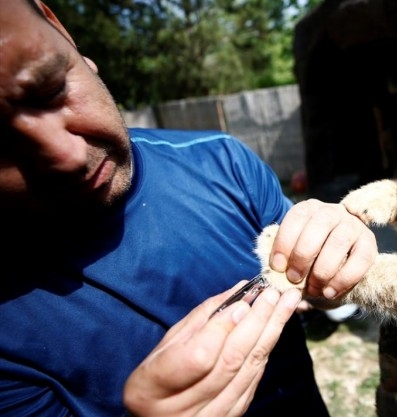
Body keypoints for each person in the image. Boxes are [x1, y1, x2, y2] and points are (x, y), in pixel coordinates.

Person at [0, 1, 377, 416]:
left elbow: (322, 292)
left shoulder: (225, 163)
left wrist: (335, 256)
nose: (66, 154)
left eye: (50, 88)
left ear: (61, 30)